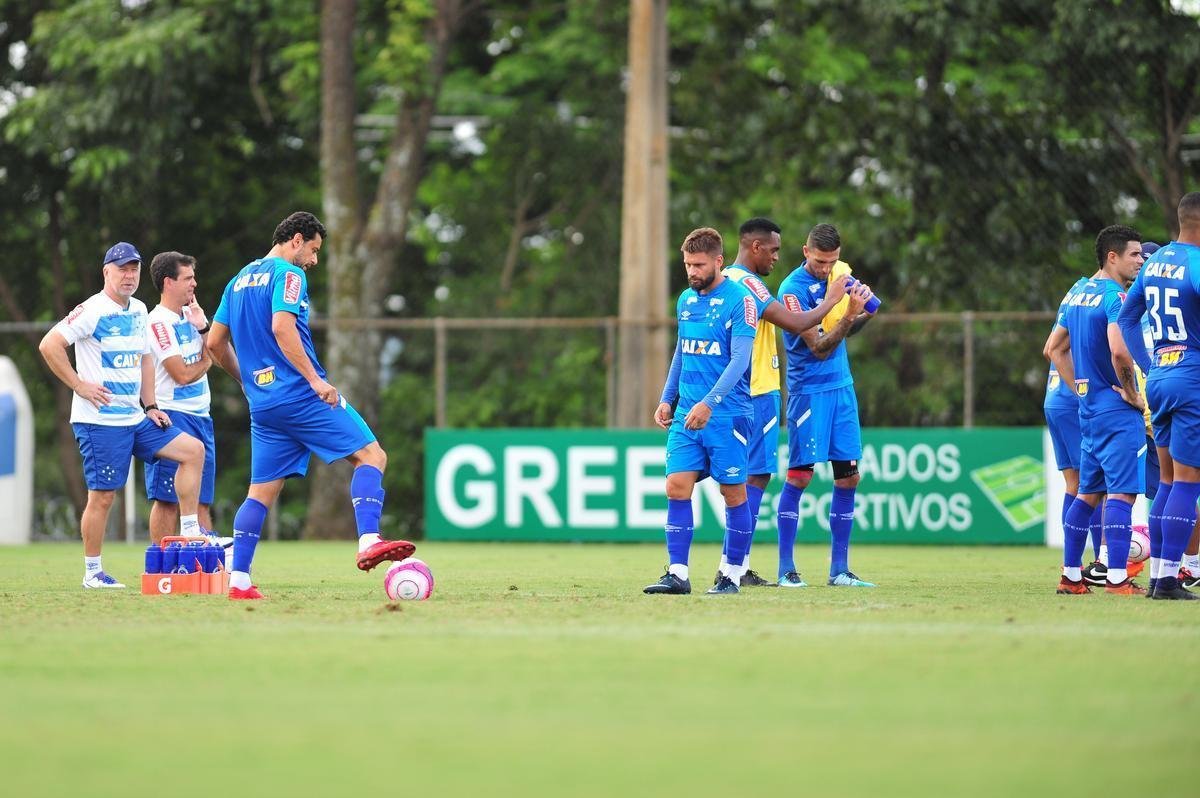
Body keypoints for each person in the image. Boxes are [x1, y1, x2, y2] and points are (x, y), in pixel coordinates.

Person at [206, 212, 415, 600]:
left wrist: (248, 382)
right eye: (314, 250)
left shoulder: (236, 282)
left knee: (260, 493)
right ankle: (368, 539)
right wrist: (316, 380)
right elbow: (282, 328)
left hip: (264, 406)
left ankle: (238, 581)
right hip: (301, 395)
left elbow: (214, 345)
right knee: (372, 456)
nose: (315, 261)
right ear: (296, 240)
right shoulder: (288, 275)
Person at [39, 242, 206, 588]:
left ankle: (191, 532)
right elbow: (49, 344)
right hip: (100, 421)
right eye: (122, 269)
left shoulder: (141, 309)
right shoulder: (92, 310)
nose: (129, 276)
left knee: (193, 451)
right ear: (107, 273)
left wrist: (151, 406)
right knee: (103, 497)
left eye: (134, 269)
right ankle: (93, 573)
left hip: (135, 419)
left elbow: (146, 358)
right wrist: (79, 385)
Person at [716, 217, 855, 587]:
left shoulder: (736, 281)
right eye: (774, 250)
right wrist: (833, 302)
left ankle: (738, 565)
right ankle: (733, 566)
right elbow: (796, 324)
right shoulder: (748, 283)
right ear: (755, 247)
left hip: (756, 389)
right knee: (753, 476)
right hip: (756, 388)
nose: (778, 257)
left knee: (752, 475)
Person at [643, 227, 758, 596]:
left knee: (733, 493)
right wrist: (667, 397)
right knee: (676, 487)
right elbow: (682, 351)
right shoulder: (685, 301)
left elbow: (740, 360)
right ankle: (677, 574)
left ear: (719, 261)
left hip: (728, 413)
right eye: (688, 264)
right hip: (687, 413)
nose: (692, 271)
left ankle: (731, 574)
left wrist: (710, 403)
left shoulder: (741, 301)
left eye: (699, 265)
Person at [1045, 225, 1146, 595]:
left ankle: (1071, 576)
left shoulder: (1078, 294)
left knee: (1087, 494)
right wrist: (1133, 394)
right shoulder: (1115, 298)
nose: (1140, 261)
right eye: (1135, 254)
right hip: (1116, 411)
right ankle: (1118, 578)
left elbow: (1054, 349)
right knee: (1122, 495)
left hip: (1088, 410)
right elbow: (1120, 351)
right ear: (1112, 257)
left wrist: (1082, 391)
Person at [776, 224, 875, 587]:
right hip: (809, 391)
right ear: (805, 252)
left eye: (831, 261)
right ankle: (786, 569)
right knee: (800, 476)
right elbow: (818, 348)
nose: (825, 267)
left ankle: (840, 570)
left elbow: (841, 335)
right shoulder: (792, 291)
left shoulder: (839, 276)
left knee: (849, 477)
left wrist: (861, 312)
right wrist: (844, 309)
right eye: (819, 261)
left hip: (841, 389)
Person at [1118, 193, 1200, 600]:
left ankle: (1159, 576)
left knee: (1167, 480)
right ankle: (1169, 580)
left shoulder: (1157, 262)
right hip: (1191, 377)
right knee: (1188, 482)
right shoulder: (1197, 264)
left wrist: (1150, 365)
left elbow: (1126, 317)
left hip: (1163, 377)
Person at [143, 251, 231, 545]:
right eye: (188, 278)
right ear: (169, 282)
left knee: (202, 501)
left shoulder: (192, 316)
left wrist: (204, 327)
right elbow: (181, 374)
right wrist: (208, 359)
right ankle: (162, 562)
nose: (195, 283)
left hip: (201, 416)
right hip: (171, 416)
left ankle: (204, 566)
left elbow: (218, 356)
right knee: (167, 499)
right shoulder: (157, 322)